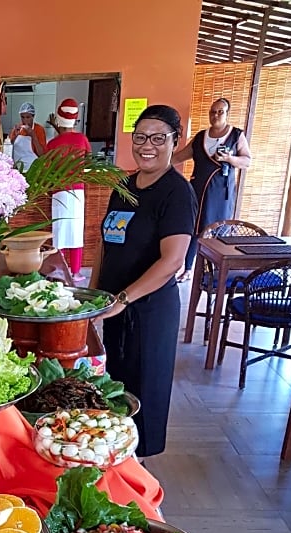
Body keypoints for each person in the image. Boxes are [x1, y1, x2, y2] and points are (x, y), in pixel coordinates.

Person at [90, 104, 197, 458]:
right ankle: (121, 458)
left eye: (157, 138)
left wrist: (123, 298)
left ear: (174, 141)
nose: (146, 145)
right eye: (140, 137)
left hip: (150, 310)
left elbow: (173, 260)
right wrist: (93, 297)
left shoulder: (176, 192)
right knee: (118, 386)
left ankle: (144, 477)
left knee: (145, 391)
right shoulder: (124, 184)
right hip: (116, 305)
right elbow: (106, 244)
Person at [172, 97, 251, 278]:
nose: (215, 115)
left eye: (220, 112)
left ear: (227, 114)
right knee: (193, 227)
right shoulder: (201, 137)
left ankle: (215, 271)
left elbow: (246, 161)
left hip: (220, 192)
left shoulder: (236, 135)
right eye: (212, 112)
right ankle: (188, 269)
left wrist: (229, 159)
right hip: (197, 188)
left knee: (217, 229)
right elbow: (178, 157)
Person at [46, 98, 92, 281]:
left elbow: (46, 163)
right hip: (77, 191)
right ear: (76, 119)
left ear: (58, 119)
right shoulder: (81, 139)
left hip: (58, 191)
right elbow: (88, 160)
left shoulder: (53, 143)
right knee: (75, 229)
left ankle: (60, 269)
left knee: (60, 230)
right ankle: (76, 271)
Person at [8, 103, 46, 171]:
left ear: (33, 116)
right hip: (18, 168)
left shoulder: (39, 129)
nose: (25, 120)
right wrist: (15, 135)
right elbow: (10, 147)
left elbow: (42, 154)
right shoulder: (17, 128)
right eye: (22, 117)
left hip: (32, 169)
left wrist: (33, 135)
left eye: (28, 117)